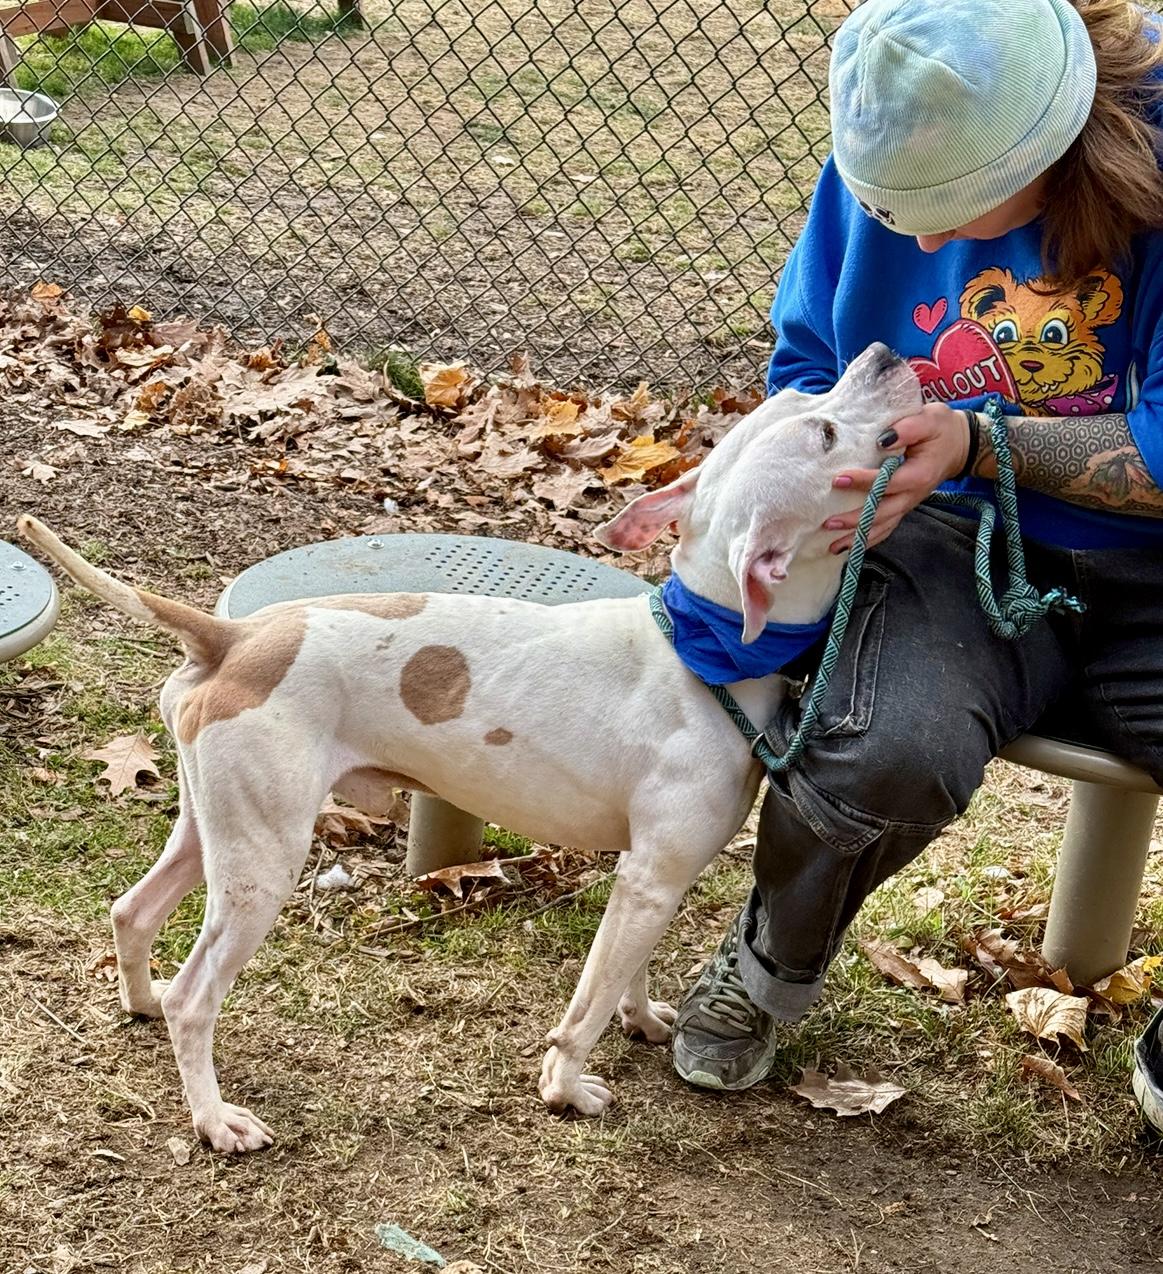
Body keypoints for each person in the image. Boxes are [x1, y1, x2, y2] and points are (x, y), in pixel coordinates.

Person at [671, 0, 1163, 1122]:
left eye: (952, 210)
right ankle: (768, 965)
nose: (926, 248)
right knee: (880, 748)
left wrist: (983, 439)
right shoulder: (903, 119)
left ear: (1046, 144)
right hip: (952, 529)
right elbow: (808, 362)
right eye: (895, 213)